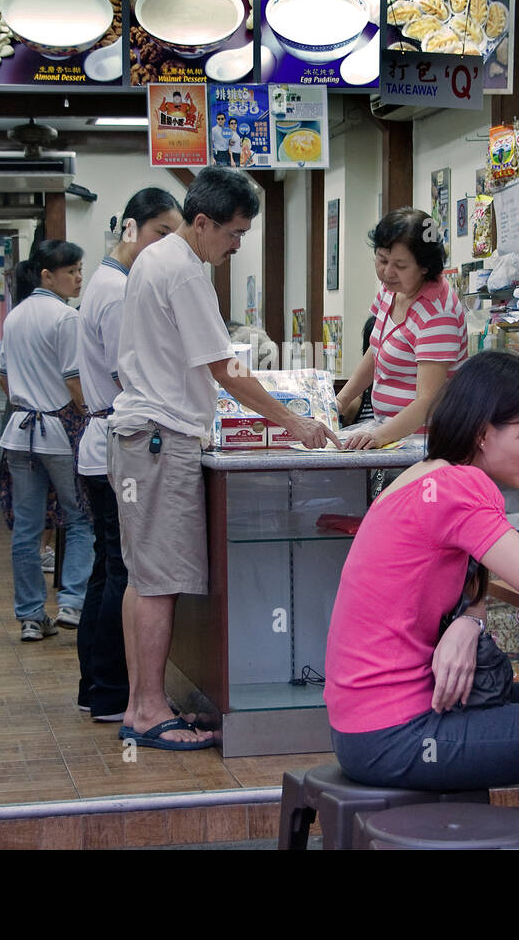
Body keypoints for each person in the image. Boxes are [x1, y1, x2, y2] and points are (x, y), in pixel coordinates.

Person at [325, 352, 519, 848]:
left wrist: (469, 623)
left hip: (366, 725)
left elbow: (477, 580)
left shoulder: (424, 475)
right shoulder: (460, 487)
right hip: (397, 733)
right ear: (482, 433)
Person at [109, 166, 338, 748]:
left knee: (143, 580)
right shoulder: (183, 270)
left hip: (143, 436)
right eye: (233, 234)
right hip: (161, 439)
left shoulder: (153, 259)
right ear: (203, 222)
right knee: (158, 582)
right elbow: (226, 369)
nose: (236, 246)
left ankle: (141, 705)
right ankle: (150, 711)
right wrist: (295, 420)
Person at [76, 187, 182, 723]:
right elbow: (132, 375)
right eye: (161, 234)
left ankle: (96, 685)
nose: (167, 247)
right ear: (130, 228)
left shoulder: (103, 281)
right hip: (120, 440)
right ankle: (113, 690)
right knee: (125, 572)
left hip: (103, 440)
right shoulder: (118, 290)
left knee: (108, 567)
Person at [0, 239, 94, 639]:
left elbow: (4, 377)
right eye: (70, 270)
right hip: (57, 432)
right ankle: (72, 602)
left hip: (17, 434)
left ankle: (31, 617)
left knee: (27, 528)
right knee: (81, 518)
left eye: (78, 269)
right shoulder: (65, 317)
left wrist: (27, 395)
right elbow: (75, 382)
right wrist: (92, 414)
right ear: (46, 275)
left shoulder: (14, 317)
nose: (78, 277)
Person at [336, 207, 468, 449]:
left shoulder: (437, 313)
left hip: (426, 441)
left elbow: (429, 399)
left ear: (425, 267)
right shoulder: (392, 289)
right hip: (391, 432)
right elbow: (377, 350)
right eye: (382, 260)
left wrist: (379, 436)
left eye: (400, 265)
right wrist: (340, 401)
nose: (387, 272)